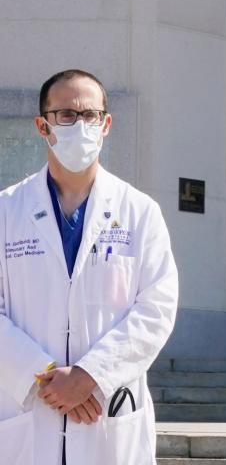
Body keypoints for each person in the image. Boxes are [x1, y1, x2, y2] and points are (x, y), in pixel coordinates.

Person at [0, 70, 179, 465]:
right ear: (42, 126)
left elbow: (156, 309)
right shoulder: (6, 211)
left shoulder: (140, 212)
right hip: (27, 410)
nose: (80, 126)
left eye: (90, 115)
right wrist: (45, 377)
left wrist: (90, 377)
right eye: (65, 115)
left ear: (106, 124)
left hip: (107, 409)